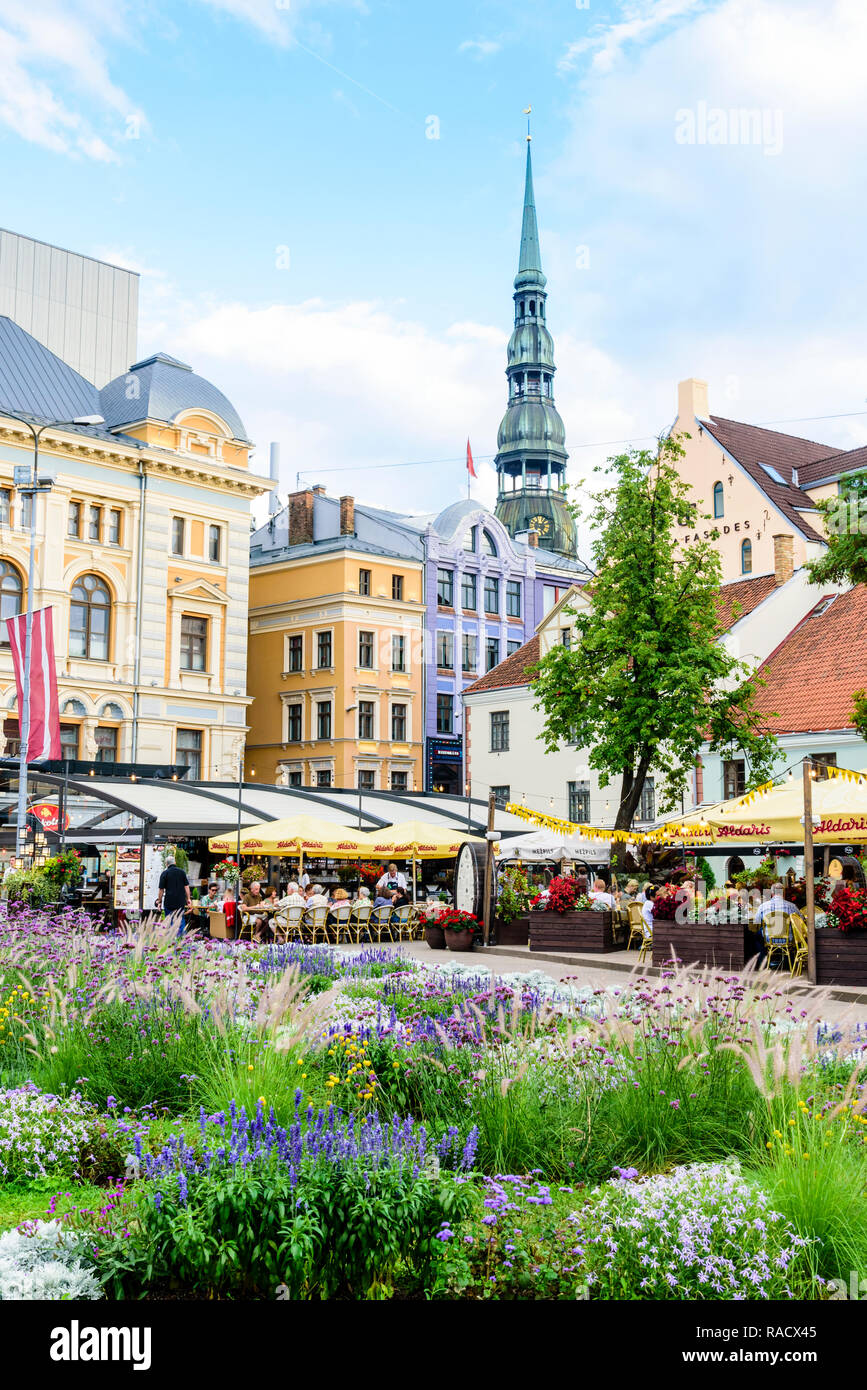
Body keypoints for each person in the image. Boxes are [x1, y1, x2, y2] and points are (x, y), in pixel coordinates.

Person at [156, 852, 191, 936]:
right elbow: (186, 887)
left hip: (169, 901)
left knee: (169, 920)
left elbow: (161, 889)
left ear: (166, 864)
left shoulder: (164, 873)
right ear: (175, 862)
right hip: (180, 901)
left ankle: (171, 939)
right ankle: (181, 939)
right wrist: (188, 898)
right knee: (180, 919)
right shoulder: (182, 872)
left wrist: (159, 901)